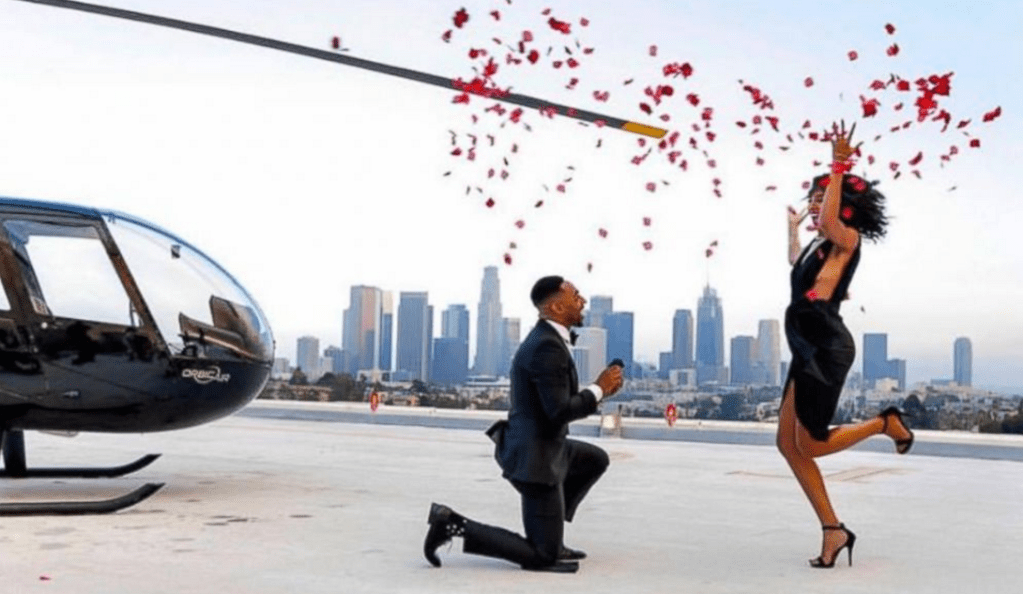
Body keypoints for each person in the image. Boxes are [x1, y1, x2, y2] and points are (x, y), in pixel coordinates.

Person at [777, 122, 914, 568]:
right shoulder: (819, 244)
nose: (815, 203)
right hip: (805, 344)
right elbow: (795, 262)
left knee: (811, 444)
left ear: (842, 204)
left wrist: (838, 164)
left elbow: (831, 221)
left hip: (825, 346)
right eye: (813, 196)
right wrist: (793, 229)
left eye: (822, 197)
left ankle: (884, 423)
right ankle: (833, 530)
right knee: (786, 444)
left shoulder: (846, 239)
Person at [423, 276, 624, 573]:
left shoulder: (550, 339)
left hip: (548, 447)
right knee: (542, 557)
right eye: (576, 296)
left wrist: (600, 391)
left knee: (595, 459)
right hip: (535, 460)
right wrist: (599, 389)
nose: (582, 301)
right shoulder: (546, 347)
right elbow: (559, 411)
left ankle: (551, 526)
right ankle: (451, 523)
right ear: (557, 307)